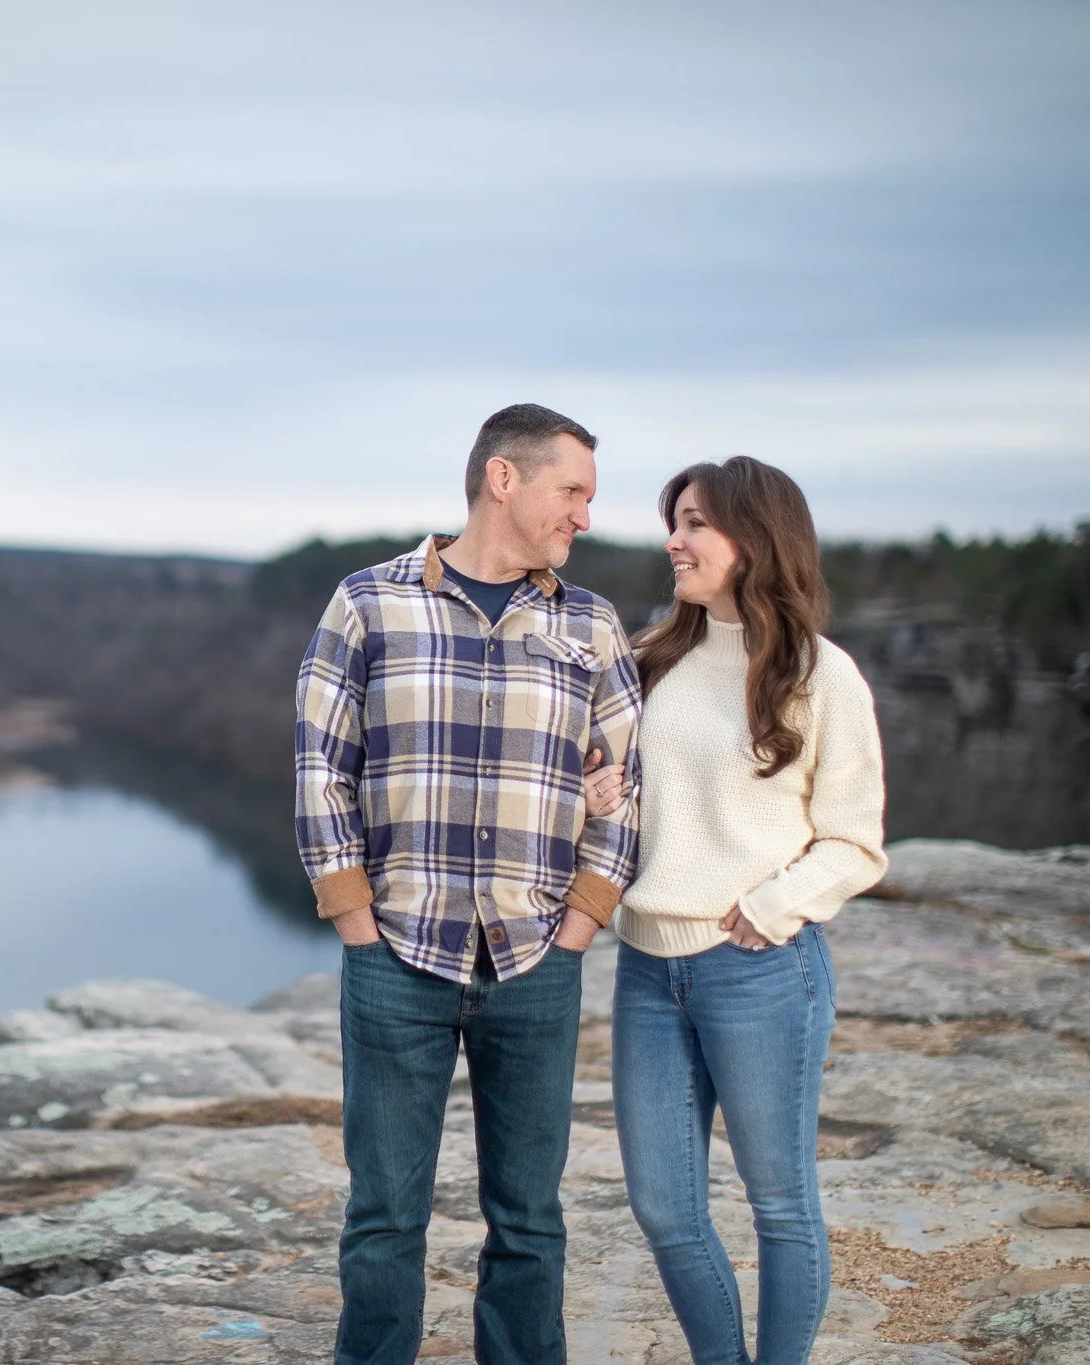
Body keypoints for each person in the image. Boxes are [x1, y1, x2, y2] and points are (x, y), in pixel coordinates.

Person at [294, 403, 642, 1365]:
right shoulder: (368, 602)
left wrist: (584, 920)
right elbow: (323, 768)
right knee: (384, 1216)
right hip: (396, 955)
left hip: (537, 958)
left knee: (529, 1219)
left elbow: (626, 785)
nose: (582, 514)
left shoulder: (592, 624)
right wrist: (354, 917)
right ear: (503, 478)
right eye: (571, 491)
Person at [582, 456, 885, 1365]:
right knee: (665, 1208)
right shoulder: (648, 659)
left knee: (781, 1201)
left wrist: (772, 902)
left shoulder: (821, 675)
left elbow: (856, 840)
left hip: (758, 971)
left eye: (697, 523)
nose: (674, 539)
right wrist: (599, 797)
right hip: (646, 969)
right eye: (674, 520)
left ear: (756, 539)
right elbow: (622, 802)